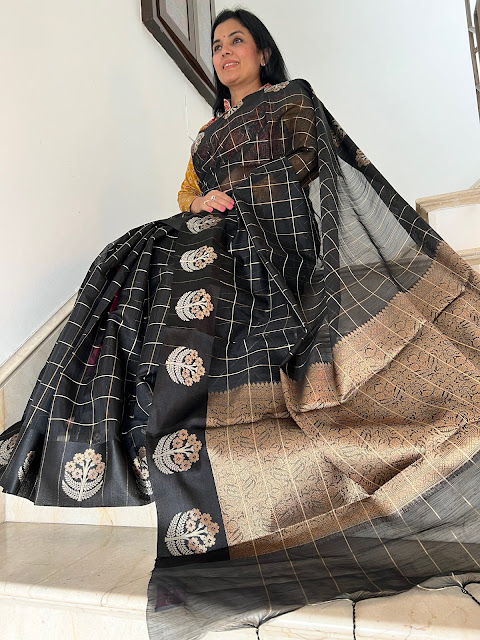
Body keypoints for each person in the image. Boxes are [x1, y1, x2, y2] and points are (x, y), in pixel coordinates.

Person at [2, 7, 480, 640]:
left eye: (237, 40)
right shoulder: (206, 134)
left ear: (262, 54)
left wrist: (246, 197)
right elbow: (190, 195)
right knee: (129, 255)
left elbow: (311, 164)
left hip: (275, 230)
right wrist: (202, 200)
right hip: (218, 226)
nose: (225, 51)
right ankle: (122, 424)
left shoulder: (291, 98)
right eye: (217, 44)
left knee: (197, 258)